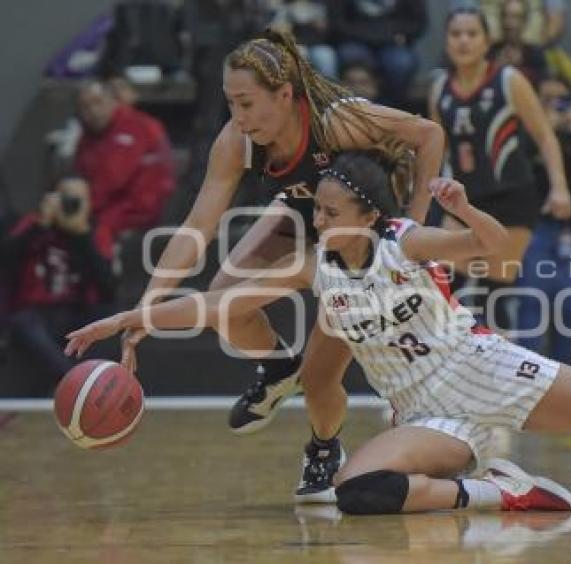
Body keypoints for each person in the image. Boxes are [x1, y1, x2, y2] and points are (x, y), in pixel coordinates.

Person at [65, 151, 571, 515]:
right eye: (318, 213)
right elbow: (207, 305)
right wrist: (129, 319)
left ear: (367, 213)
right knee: (359, 491)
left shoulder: (406, 241)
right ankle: (504, 493)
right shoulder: (315, 267)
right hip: (424, 413)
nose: (319, 220)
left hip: (489, 371)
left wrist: (465, 208)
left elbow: (500, 250)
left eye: (330, 211)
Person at [117, 28, 444, 502]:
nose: (238, 116)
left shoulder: (338, 121)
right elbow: (197, 226)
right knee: (223, 296)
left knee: (320, 377)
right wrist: (148, 307)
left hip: (357, 240)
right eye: (230, 103)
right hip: (304, 212)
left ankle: (324, 446)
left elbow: (429, 134)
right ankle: (275, 368)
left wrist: (411, 230)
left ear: (286, 95)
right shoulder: (236, 141)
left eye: (247, 103)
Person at [429, 6, 571, 333]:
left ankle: (503, 375)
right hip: (464, 200)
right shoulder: (439, 88)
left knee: (495, 293)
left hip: (512, 198)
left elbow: (545, 136)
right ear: (446, 41)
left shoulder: (509, 80)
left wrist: (559, 186)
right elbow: (440, 150)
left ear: (486, 41)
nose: (463, 41)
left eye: (472, 34)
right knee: (445, 284)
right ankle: (451, 369)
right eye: (456, 34)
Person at [1, 176, 115, 393]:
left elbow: (107, 286)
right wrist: (41, 224)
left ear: (89, 204)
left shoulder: (96, 231)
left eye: (78, 200)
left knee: (109, 318)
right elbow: (6, 260)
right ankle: (76, 386)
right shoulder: (34, 224)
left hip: (79, 312)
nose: (70, 205)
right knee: (23, 321)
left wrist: (81, 234)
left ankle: (74, 385)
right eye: (66, 198)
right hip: (37, 312)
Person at [514, 76, 571, 365]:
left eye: (561, 100)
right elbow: (521, 171)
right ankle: (528, 372)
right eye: (546, 100)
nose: (555, 107)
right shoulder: (524, 132)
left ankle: (566, 375)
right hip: (536, 225)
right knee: (533, 301)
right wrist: (542, 132)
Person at [73, 80, 176, 253]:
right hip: (109, 203)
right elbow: (80, 171)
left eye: (98, 102)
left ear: (113, 101)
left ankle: (104, 276)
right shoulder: (89, 134)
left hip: (141, 205)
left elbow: (112, 180)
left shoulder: (135, 127)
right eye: (85, 107)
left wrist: (82, 209)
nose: (93, 111)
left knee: (96, 229)